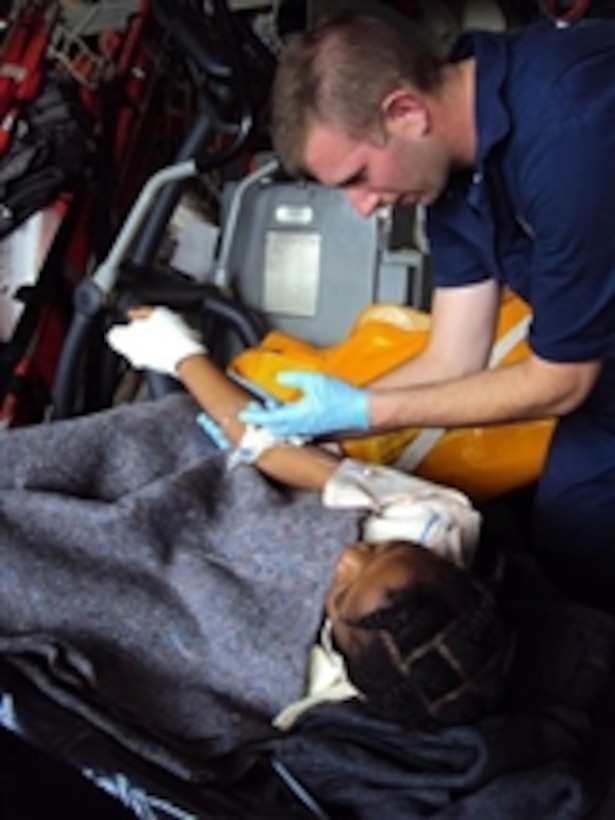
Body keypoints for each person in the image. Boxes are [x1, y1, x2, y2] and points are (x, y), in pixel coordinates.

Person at [0, 306, 511, 778]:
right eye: (380, 550)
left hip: (193, 612)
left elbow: (211, 693)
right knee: (144, 449)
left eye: (339, 593)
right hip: (230, 501)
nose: (351, 556)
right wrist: (183, 353)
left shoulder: (317, 698)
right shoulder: (436, 520)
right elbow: (267, 448)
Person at [239, 10, 615, 609]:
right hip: (597, 356)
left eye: (359, 176)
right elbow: (452, 353)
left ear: (405, 112)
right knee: (570, 538)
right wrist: (325, 425)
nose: (363, 208)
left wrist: (370, 409)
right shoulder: (452, 175)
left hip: (580, 371)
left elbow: (561, 383)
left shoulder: (570, 129)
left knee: (580, 532)